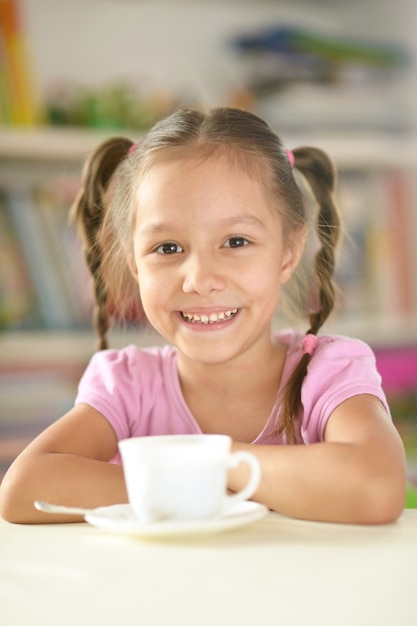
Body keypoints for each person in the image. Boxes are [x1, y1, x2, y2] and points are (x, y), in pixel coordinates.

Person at [0, 107, 406, 525]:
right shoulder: (127, 385)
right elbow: (23, 491)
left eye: (235, 241)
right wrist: (241, 486)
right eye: (168, 248)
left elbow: (376, 487)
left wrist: (204, 463)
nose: (200, 279)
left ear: (288, 250)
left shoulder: (328, 372)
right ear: (134, 263)